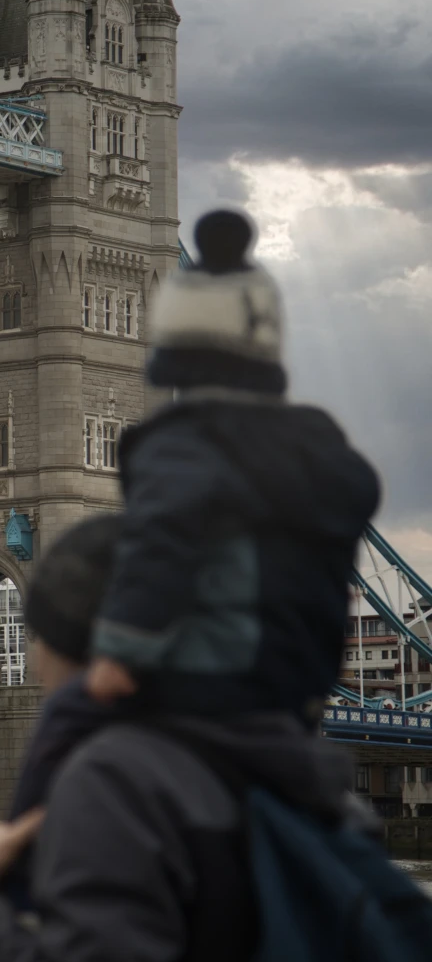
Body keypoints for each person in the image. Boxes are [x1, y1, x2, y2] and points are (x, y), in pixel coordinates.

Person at [0, 510, 369, 962]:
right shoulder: (316, 789)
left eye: (38, 633)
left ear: (75, 647)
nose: (35, 660)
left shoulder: (115, 785)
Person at [87, 209, 381, 723]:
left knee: (78, 721)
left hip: (212, 679)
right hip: (303, 683)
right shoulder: (321, 451)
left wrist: (119, 652)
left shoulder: (180, 447)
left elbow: (159, 549)